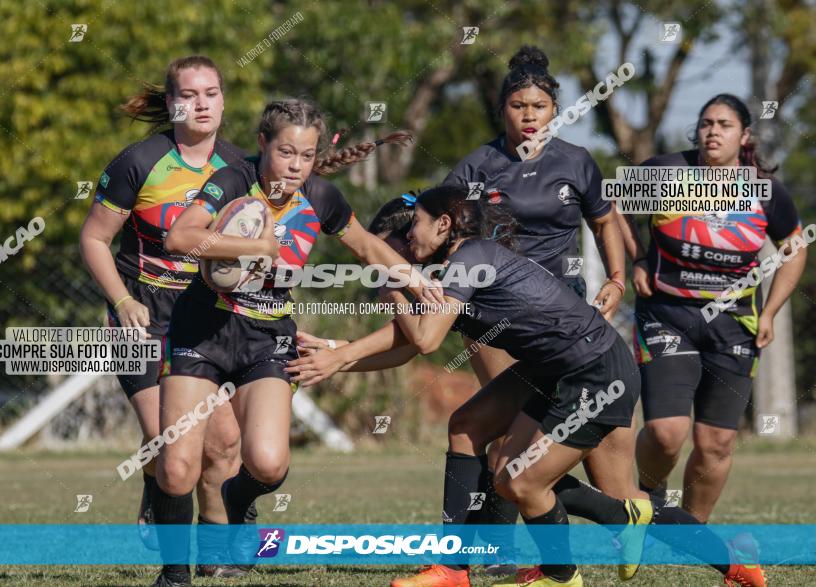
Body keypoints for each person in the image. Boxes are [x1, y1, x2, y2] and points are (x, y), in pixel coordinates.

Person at [288, 186, 767, 587]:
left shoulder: (469, 259)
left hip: (595, 371)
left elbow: (425, 338)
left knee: (519, 480)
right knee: (469, 428)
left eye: (410, 229)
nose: (406, 241)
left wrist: (386, 284)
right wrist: (337, 356)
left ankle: (568, 574)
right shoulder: (448, 269)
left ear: (443, 225)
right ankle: (453, 569)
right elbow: (408, 342)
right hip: (553, 367)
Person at [148, 97, 424, 587]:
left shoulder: (322, 197)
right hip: (201, 331)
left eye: (307, 155)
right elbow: (179, 238)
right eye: (285, 153)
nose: (296, 166)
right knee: (176, 468)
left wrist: (417, 281)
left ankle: (236, 499)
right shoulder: (232, 180)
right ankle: (174, 575)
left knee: (269, 464)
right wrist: (258, 245)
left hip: (266, 338)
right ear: (262, 145)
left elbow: (367, 247)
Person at [444, 43, 634, 578]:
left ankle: (617, 520)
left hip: (566, 315)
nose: (528, 116)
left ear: (555, 109)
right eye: (517, 106)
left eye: (539, 107)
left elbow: (604, 221)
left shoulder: (576, 161)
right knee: (498, 430)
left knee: (552, 440)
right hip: (496, 316)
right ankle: (496, 551)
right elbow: (441, 222)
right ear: (502, 109)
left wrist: (617, 277)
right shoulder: (478, 165)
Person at [79, 55, 253, 576]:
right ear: (172, 102)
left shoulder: (240, 166)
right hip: (142, 317)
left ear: (224, 99)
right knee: (170, 450)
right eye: (190, 94)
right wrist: (122, 300)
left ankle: (218, 556)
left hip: (205, 318)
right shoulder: (138, 162)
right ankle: (159, 492)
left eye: (212, 93)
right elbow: (93, 238)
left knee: (223, 443)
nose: (202, 104)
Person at [617, 94, 806, 523]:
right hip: (667, 315)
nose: (713, 131)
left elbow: (794, 248)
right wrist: (639, 259)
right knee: (667, 434)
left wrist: (772, 311)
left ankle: (690, 535)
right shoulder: (665, 172)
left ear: (744, 135)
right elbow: (614, 211)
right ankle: (649, 497)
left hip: (735, 325)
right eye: (706, 123)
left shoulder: (766, 191)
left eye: (724, 124)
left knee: (716, 441)